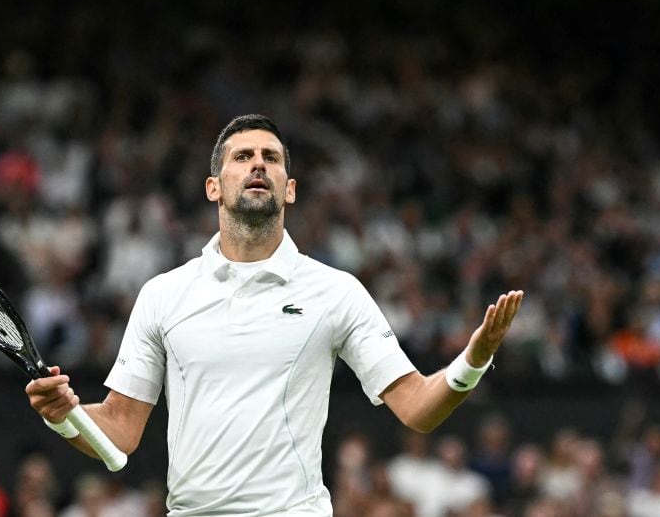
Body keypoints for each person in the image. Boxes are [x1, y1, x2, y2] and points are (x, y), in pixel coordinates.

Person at [26, 114, 523, 516]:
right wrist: (65, 417)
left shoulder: (335, 291)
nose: (258, 165)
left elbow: (417, 407)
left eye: (271, 158)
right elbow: (118, 430)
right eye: (243, 157)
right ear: (214, 187)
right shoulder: (163, 295)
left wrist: (473, 360)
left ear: (289, 188)